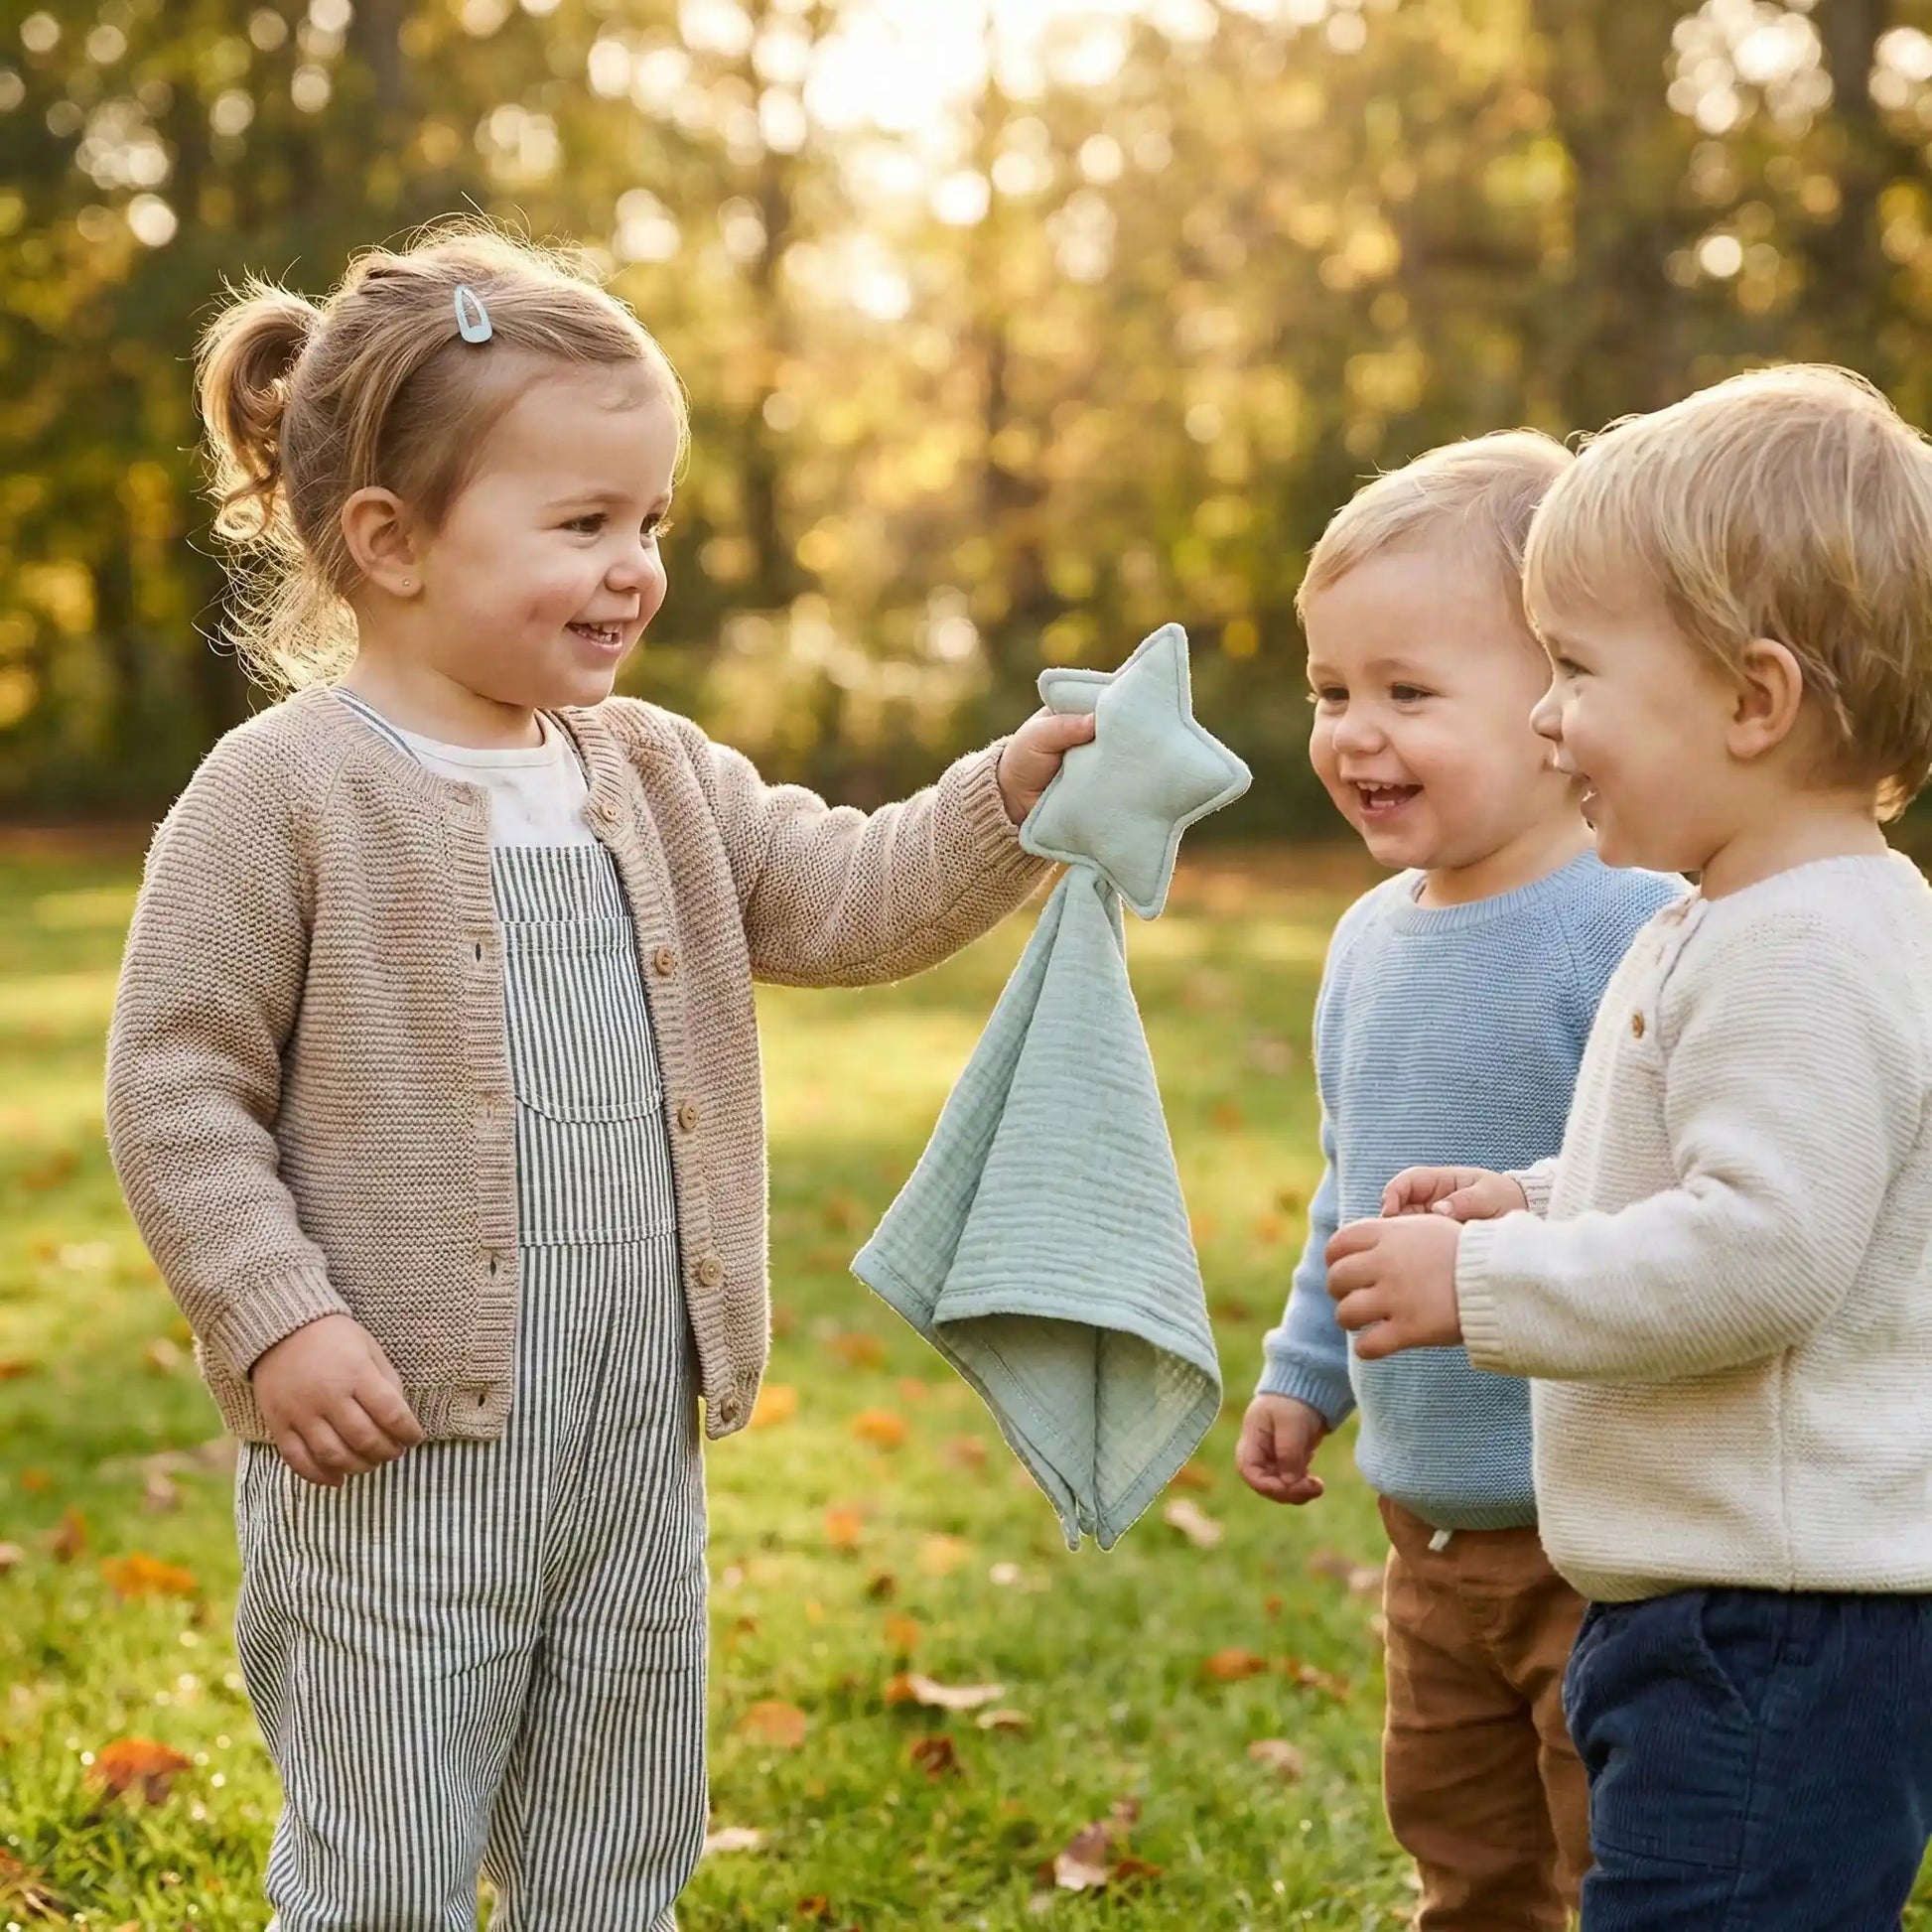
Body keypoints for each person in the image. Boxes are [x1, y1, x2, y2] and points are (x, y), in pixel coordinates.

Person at [103, 222, 1090, 1931]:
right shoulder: (284, 793)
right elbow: (176, 1082)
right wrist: (275, 1316)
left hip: (632, 1439)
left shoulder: (653, 770)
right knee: (387, 1856)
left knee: (617, 1838)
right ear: (390, 541)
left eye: (651, 523)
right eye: (583, 525)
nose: (635, 568)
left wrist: (1008, 795)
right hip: (397, 1450)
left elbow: (845, 893)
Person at [1327, 364, 1932, 1930]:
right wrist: (1527, 1198)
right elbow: (1697, 1178)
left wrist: (1484, 1282)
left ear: (1750, 700)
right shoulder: (1729, 917)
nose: (1545, 714)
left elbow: (1761, 1252)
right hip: (1713, 1594)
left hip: (1775, 1619)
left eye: (1578, 668)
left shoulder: (1808, 947)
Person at [1234, 432, 1683, 1929]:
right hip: (1425, 1526)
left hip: (1602, 1526)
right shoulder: (1368, 941)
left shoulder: (1636, 923)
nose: (1354, 734)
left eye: (1407, 694)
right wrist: (1305, 1369)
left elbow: (1671, 1194)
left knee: (1609, 1849)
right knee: (1462, 1844)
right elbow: (1348, 1185)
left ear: (1558, 707)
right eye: (1331, 692)